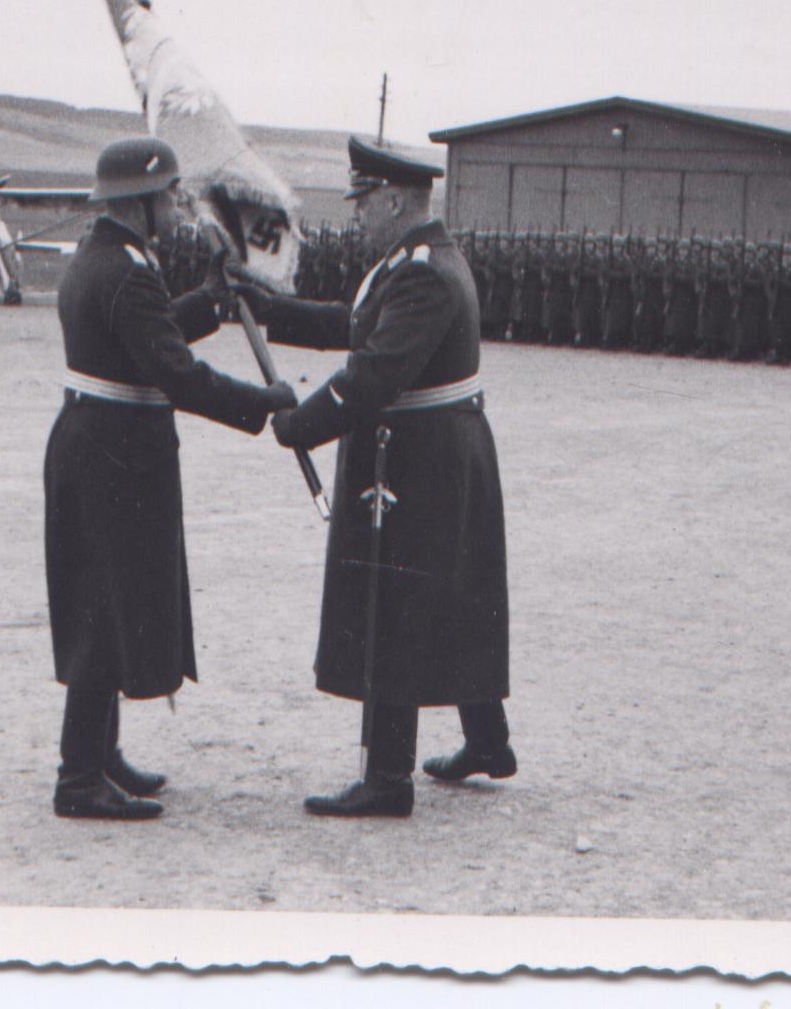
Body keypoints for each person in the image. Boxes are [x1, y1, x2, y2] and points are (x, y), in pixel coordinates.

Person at [232, 136, 512, 819]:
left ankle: (387, 778)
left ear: (393, 200)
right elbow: (356, 325)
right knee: (454, 597)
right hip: (435, 453)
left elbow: (372, 374)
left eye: (363, 201)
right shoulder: (416, 260)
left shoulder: (421, 273)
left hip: (420, 459)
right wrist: (267, 308)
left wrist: (300, 425)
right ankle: (488, 742)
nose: (355, 214)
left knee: (397, 603)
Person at [44, 137, 295, 822]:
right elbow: (174, 372)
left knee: (107, 602)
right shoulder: (127, 270)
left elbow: (146, 336)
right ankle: (78, 777)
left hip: (99, 445)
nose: (179, 205)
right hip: (115, 455)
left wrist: (208, 303)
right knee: (104, 610)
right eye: (169, 195)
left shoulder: (106, 258)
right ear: (140, 201)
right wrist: (261, 403)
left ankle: (101, 755)